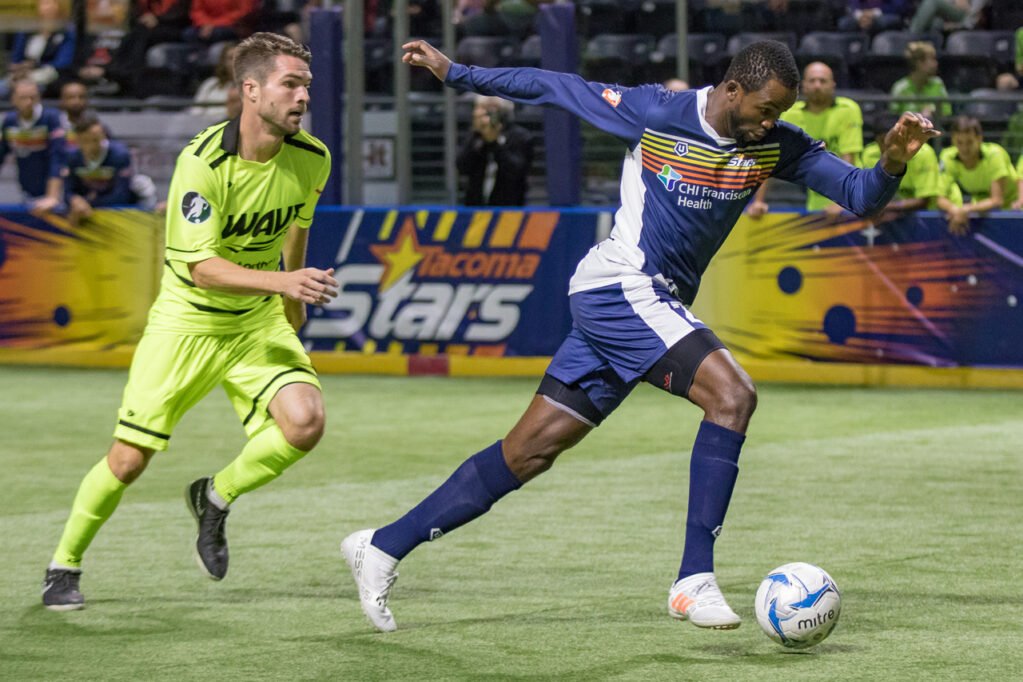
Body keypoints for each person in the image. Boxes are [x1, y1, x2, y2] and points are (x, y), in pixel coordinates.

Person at [340, 38, 938, 632]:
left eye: (779, 113)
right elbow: (556, 86)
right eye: (765, 107)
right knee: (733, 396)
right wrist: (457, 71)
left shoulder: (774, 144)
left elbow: (860, 198)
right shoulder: (657, 114)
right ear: (733, 89)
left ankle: (383, 546)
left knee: (527, 452)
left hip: (644, 306)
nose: (771, 120)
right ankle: (692, 580)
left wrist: (892, 160)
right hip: (621, 285)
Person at [41, 32, 338, 611]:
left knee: (304, 422)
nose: (303, 97)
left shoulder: (312, 155)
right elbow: (202, 269)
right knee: (128, 459)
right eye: (290, 84)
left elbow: (297, 226)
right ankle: (63, 565)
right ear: (250, 91)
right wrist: (283, 283)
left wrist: (293, 299)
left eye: (306, 85)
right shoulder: (203, 163)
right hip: (187, 323)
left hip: (255, 322)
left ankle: (215, 497)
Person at [747, 61, 863, 219]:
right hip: (815, 193)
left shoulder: (848, 109)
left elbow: (848, 158)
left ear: (833, 85)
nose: (817, 85)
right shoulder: (791, 114)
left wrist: (842, 202)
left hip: (851, 194)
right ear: (803, 85)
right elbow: (771, 158)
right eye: (812, 81)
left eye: (823, 81)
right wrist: (758, 202)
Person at [939, 115, 1018, 235]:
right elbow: (940, 198)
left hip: (1012, 210)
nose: (964, 148)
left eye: (970, 142)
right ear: (953, 140)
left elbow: (997, 201)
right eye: (959, 142)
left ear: (979, 139)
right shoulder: (947, 157)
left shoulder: (995, 155)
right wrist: (955, 210)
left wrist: (966, 209)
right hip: (979, 209)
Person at [0, 78, 66, 216]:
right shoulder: (9, 121)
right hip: (26, 190)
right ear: (13, 99)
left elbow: (57, 158)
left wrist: (52, 197)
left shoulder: (51, 117)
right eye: (23, 98)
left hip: (55, 193)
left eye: (33, 97)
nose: (29, 102)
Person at [861, 113, 943, 222]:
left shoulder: (924, 154)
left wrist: (887, 207)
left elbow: (923, 201)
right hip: (884, 219)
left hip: (923, 219)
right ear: (876, 140)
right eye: (883, 141)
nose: (888, 146)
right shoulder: (869, 155)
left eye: (892, 140)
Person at [456, 94, 533, 206]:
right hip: (476, 208)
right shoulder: (475, 136)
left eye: (491, 111)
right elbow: (462, 166)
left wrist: (496, 143)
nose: (488, 116)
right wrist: (476, 133)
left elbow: (516, 171)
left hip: (509, 208)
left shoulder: (519, 136)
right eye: (483, 110)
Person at [62, 114, 135, 225]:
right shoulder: (72, 157)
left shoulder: (120, 155)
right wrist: (74, 200)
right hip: (82, 210)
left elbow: (122, 195)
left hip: (114, 213)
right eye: (86, 141)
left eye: (96, 139)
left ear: (103, 135)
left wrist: (88, 203)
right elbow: (68, 191)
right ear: (78, 141)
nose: (93, 146)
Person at [0, 0, 76, 100]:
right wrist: (18, 68)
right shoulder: (27, 30)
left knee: (28, 91)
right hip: (21, 74)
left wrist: (34, 66)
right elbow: (16, 58)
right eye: (44, 3)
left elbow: (63, 62)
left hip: (49, 76)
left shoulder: (66, 31)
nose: (48, 8)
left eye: (51, 3)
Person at [889, 42, 951, 120]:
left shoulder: (938, 83)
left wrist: (933, 114)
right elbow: (892, 119)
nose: (936, 63)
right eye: (932, 59)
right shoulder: (900, 87)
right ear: (919, 63)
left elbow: (946, 115)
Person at [190, 42, 238, 120]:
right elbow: (196, 111)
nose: (235, 62)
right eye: (230, 58)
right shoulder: (210, 83)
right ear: (224, 62)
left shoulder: (253, 87)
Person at [909, 0, 988, 33]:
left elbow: (976, 13)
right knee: (934, 22)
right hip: (944, 17)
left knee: (932, 2)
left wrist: (960, 25)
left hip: (965, 16)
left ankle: (909, 38)